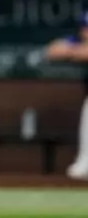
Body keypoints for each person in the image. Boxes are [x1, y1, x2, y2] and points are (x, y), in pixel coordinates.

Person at [45, 10, 88, 181]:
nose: (86, 31)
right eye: (85, 27)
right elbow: (53, 50)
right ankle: (85, 162)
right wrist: (78, 52)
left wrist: (76, 53)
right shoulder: (77, 41)